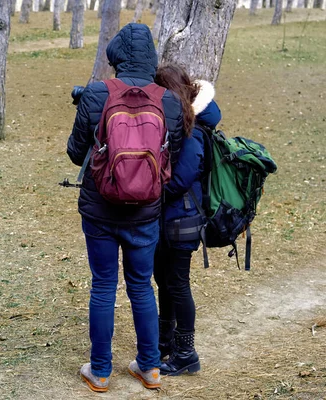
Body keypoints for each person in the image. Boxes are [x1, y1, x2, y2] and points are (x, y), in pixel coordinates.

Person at [67, 23, 185, 392]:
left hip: (100, 210)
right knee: (141, 287)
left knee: (103, 286)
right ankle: (149, 368)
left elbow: (75, 153)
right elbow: (173, 156)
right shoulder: (168, 101)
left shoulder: (96, 94)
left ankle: (100, 371)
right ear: (151, 58)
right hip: (145, 213)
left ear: (116, 56)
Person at [153, 63, 222, 376]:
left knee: (178, 284)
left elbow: (181, 179)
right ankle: (164, 342)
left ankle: (186, 353)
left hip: (183, 219)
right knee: (165, 281)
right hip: (170, 219)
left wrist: (149, 187)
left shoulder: (191, 127)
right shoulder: (178, 123)